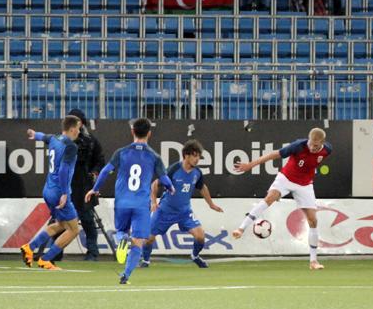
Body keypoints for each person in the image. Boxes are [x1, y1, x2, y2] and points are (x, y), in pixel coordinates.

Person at [84, 118, 175, 285]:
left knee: (121, 231)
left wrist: (95, 189)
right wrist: (170, 188)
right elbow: (164, 178)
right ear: (149, 133)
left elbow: (105, 171)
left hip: (122, 203)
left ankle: (123, 238)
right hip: (141, 205)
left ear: (132, 131)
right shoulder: (154, 156)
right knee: (138, 241)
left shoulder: (122, 152)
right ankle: (125, 276)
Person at [232, 128, 332, 270]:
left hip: (305, 184)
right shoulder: (298, 146)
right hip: (286, 178)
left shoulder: (327, 150)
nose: (312, 147)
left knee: (313, 220)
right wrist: (250, 165)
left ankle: (313, 261)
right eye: (310, 143)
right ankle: (241, 228)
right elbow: (273, 155)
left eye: (315, 145)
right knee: (270, 197)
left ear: (322, 142)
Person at [140, 139, 223, 268]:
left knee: (200, 236)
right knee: (148, 238)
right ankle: (145, 260)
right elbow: (155, 184)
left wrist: (211, 204)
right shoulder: (174, 169)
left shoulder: (197, 173)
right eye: (194, 156)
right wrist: (154, 202)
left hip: (184, 212)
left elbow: (202, 187)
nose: (197, 159)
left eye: (199, 156)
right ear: (186, 155)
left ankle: (195, 256)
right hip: (165, 211)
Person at [19, 115, 82, 270]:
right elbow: (63, 170)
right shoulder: (71, 146)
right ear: (72, 129)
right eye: (78, 128)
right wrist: (65, 193)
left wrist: (35, 135)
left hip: (48, 190)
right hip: (59, 192)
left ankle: (29, 247)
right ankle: (46, 259)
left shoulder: (55, 139)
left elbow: (44, 137)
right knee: (74, 229)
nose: (79, 132)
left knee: (61, 224)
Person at [67, 108, 105, 261]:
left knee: (87, 219)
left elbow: (100, 160)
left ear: (81, 123)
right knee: (60, 221)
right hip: (67, 185)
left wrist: (95, 173)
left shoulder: (91, 141)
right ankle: (55, 252)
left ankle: (92, 252)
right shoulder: (63, 140)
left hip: (84, 186)